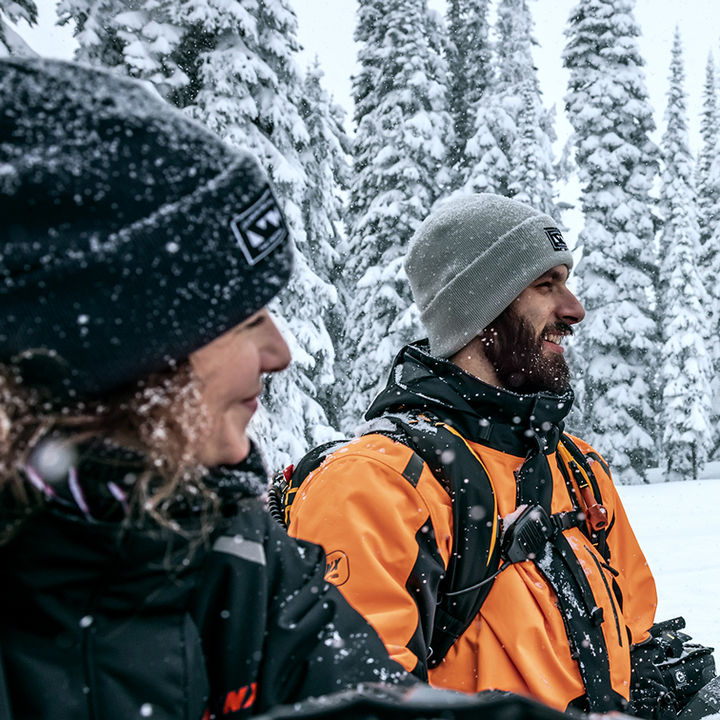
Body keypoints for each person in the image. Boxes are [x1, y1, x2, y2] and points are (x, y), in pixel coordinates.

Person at [0, 57, 413, 719]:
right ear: (117, 345)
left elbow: (364, 701)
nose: (279, 352)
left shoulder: (228, 543)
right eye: (246, 318)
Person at [283, 194, 669, 715]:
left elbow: (638, 644)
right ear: (480, 306)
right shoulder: (373, 485)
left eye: (566, 281)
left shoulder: (578, 469)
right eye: (545, 284)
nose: (574, 308)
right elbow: (357, 705)